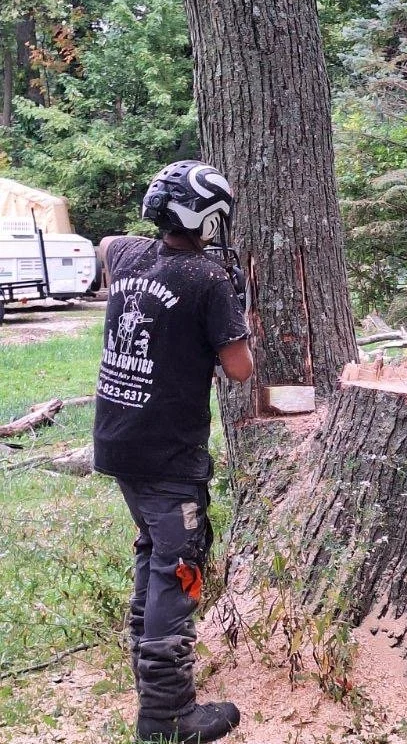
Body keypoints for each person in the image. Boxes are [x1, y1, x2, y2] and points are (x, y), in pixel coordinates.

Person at [93, 161, 253, 743]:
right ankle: (166, 715)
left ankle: (146, 670)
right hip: (168, 453)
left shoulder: (130, 256)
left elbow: (109, 242)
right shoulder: (208, 281)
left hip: (118, 441)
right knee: (178, 564)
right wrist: (239, 310)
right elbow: (239, 370)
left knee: (152, 551)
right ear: (207, 218)